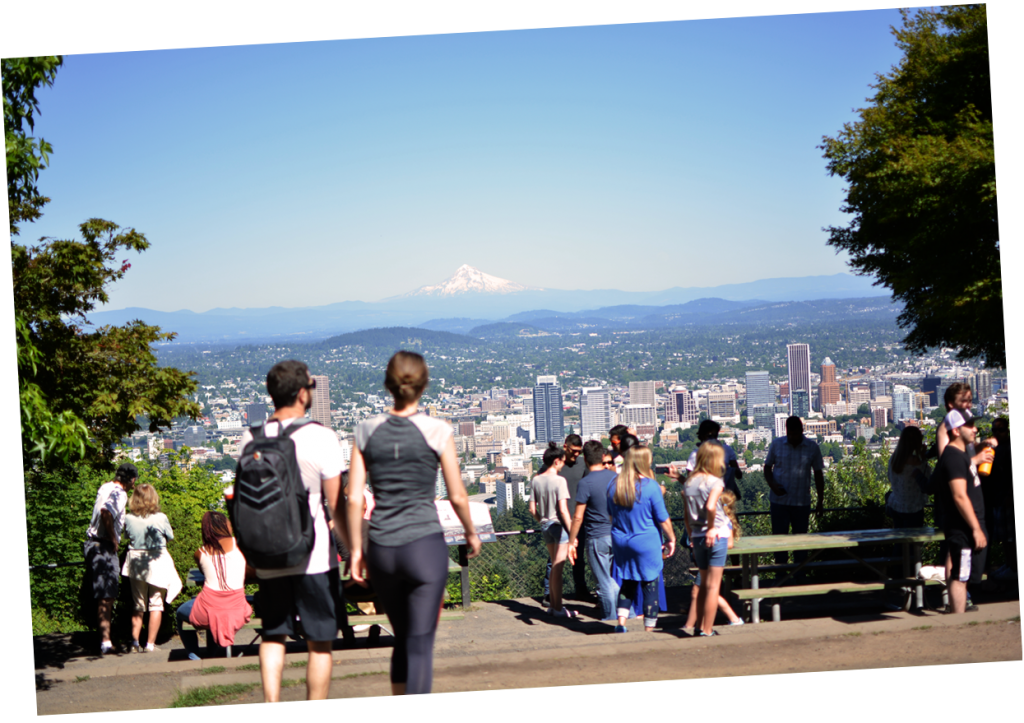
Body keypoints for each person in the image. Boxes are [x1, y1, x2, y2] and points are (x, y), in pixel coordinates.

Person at [346, 351, 481, 696]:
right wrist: (470, 532)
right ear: (424, 385)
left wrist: (357, 550)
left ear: (387, 385)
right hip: (423, 544)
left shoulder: (365, 430)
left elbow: (354, 498)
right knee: (420, 643)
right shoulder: (437, 430)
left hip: (382, 546)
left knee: (403, 638)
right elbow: (458, 496)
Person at [241, 360, 345, 703]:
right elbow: (336, 503)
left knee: (273, 633)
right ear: (302, 394)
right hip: (313, 554)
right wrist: (353, 547)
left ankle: (271, 700)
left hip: (268, 553)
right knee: (320, 641)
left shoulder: (252, 437)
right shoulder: (322, 437)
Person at [608, 446, 676, 633]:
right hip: (646, 541)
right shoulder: (651, 486)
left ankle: (621, 623)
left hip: (621, 540)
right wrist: (671, 539)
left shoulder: (614, 485)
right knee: (650, 584)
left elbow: (610, 516)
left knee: (627, 582)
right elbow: (662, 518)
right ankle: (649, 629)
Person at [176, 512, 254, 661]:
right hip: (238, 612)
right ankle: (212, 654)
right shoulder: (242, 546)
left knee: (181, 612)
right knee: (215, 613)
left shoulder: (200, 553)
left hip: (208, 612)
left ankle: (194, 656)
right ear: (225, 526)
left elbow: (203, 571)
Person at [931, 409, 987, 614]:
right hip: (962, 529)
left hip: (966, 528)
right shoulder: (953, 457)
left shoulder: (960, 456)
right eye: (969, 425)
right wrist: (976, 528)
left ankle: (959, 619)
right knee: (960, 576)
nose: (975, 429)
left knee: (964, 575)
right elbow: (959, 496)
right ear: (956, 430)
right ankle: (958, 621)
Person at [121, 483, 182, 653]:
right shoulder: (161, 517)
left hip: (136, 561)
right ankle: (149, 644)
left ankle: (134, 642)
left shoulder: (128, 518)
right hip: (157, 560)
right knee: (156, 604)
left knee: (138, 604)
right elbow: (170, 537)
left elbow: (127, 537)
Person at [84, 462, 137, 655]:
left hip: (93, 544)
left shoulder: (105, 487)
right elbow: (106, 512)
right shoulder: (120, 494)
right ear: (132, 480)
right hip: (103, 546)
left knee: (102, 595)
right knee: (107, 596)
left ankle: (104, 639)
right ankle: (106, 642)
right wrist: (114, 539)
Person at [681, 442, 730, 637]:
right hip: (715, 534)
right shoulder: (715, 482)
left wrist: (693, 534)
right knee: (713, 586)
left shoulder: (689, 483)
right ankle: (707, 629)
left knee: (702, 585)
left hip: (697, 536)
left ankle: (699, 625)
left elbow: (686, 515)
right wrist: (711, 528)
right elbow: (711, 507)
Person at [567, 441, 619, 620]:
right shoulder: (615, 477)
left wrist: (572, 540)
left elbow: (578, 516)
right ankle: (625, 611)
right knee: (612, 578)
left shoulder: (586, 482)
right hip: (617, 533)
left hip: (596, 536)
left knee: (603, 581)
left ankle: (610, 619)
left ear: (586, 459)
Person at [763, 416, 825, 566]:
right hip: (779, 502)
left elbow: (818, 475)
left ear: (801, 431)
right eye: (789, 433)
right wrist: (772, 485)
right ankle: (781, 579)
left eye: (795, 434)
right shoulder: (777, 444)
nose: (792, 437)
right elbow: (767, 468)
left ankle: (799, 578)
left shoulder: (812, 447)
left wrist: (820, 501)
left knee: (800, 544)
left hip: (801, 502)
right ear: (786, 430)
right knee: (779, 543)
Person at [684, 490, 744, 632]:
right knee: (702, 591)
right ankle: (695, 625)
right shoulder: (719, 520)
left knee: (699, 591)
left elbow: (729, 543)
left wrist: (712, 540)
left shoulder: (723, 521)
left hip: (712, 558)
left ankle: (691, 625)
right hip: (708, 556)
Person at [530, 442, 577, 618]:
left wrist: (542, 520)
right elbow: (564, 510)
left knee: (553, 568)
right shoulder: (559, 481)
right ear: (556, 461)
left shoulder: (536, 479)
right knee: (558, 569)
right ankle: (558, 608)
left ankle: (553, 606)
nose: (564, 465)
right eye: (562, 461)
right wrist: (573, 533)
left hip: (545, 526)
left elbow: (532, 509)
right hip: (559, 527)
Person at [557, 433, 591, 602]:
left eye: (579, 451)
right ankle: (552, 593)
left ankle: (581, 589)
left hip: (579, 518)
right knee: (556, 558)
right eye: (574, 451)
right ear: (565, 447)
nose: (576, 454)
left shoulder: (583, 464)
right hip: (558, 518)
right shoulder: (556, 463)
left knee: (579, 558)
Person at [684, 420, 743, 499]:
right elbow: (739, 475)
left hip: (705, 497)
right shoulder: (727, 450)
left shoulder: (695, 454)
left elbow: (690, 481)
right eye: (710, 435)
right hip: (723, 496)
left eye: (715, 435)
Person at [887, 426, 931, 529]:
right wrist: (923, 456)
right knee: (913, 542)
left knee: (899, 541)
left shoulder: (894, 459)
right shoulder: (919, 463)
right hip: (913, 508)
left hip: (895, 505)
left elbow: (890, 478)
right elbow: (927, 482)